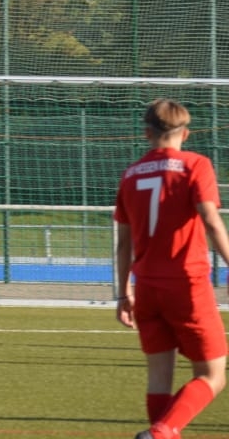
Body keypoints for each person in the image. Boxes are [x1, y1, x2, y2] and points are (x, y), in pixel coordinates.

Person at [114, 98, 229, 439]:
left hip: (147, 288)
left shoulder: (130, 174)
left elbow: (123, 244)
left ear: (147, 133)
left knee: (159, 377)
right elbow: (211, 221)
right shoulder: (196, 165)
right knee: (212, 375)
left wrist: (123, 293)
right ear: (186, 133)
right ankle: (161, 433)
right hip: (186, 284)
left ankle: (161, 432)